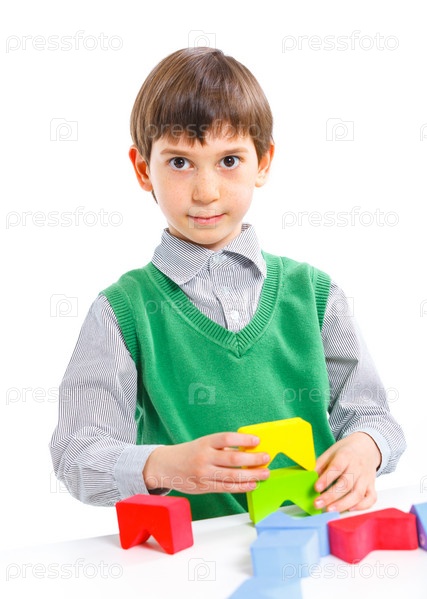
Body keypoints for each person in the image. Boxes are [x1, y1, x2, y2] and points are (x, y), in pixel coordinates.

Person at [49, 46, 406, 521]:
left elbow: (374, 417)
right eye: (180, 163)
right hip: (192, 557)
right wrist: (162, 465)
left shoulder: (316, 294)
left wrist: (365, 448)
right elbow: (76, 454)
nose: (206, 191)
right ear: (142, 169)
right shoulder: (123, 311)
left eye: (229, 160)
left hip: (317, 538)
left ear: (264, 162)